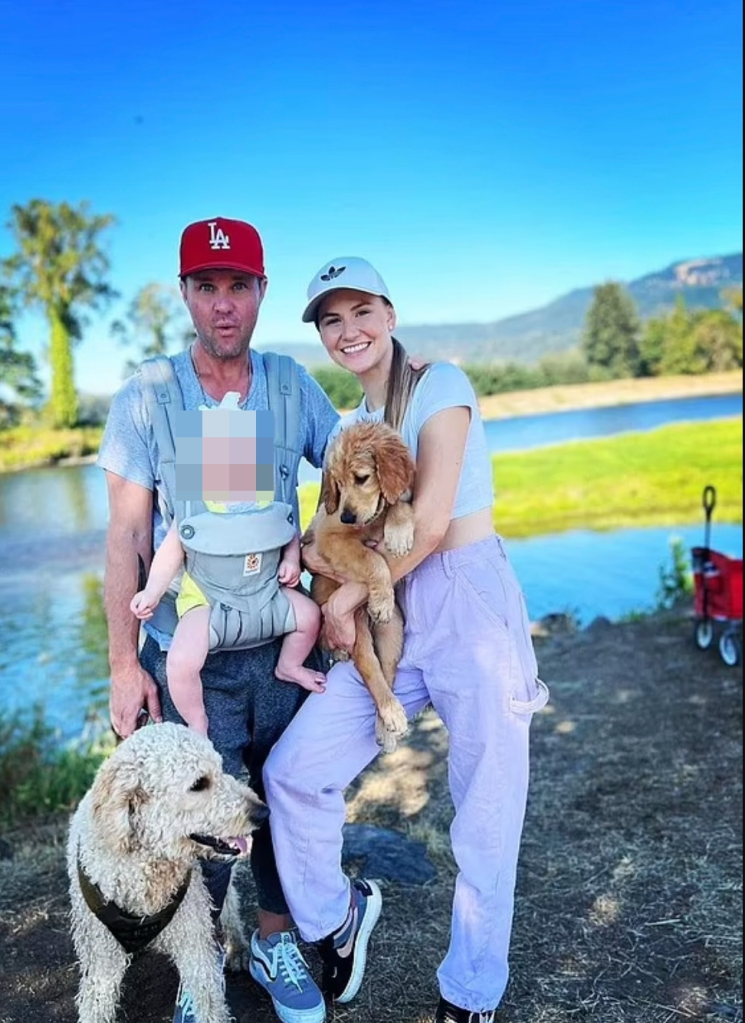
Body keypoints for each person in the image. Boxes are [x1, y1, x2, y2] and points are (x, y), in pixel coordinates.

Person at [263, 257, 550, 1023]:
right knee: (294, 769)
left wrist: (345, 595)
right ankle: (336, 917)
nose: (347, 330)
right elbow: (327, 525)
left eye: (361, 311)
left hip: (461, 596)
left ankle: (469, 994)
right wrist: (315, 564)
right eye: (331, 319)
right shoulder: (350, 424)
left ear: (389, 314)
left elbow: (427, 520)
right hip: (387, 619)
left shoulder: (441, 385)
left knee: (485, 806)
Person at [97, 217, 339, 1023]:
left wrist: (320, 562)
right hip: (188, 651)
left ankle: (274, 942)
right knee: (201, 811)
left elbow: (347, 473)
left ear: (262, 292)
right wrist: (124, 664)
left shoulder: (289, 385)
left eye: (239, 286)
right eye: (208, 287)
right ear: (186, 294)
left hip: (278, 646)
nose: (224, 305)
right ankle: (203, 967)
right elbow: (129, 536)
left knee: (278, 798)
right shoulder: (148, 393)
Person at [128, 424, 327, 736]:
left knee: (310, 616)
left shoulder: (268, 503)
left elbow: (287, 533)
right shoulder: (195, 512)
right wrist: (151, 592)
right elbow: (169, 554)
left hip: (265, 594)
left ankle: (289, 665)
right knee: (180, 661)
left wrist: (290, 560)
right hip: (209, 601)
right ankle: (196, 719)